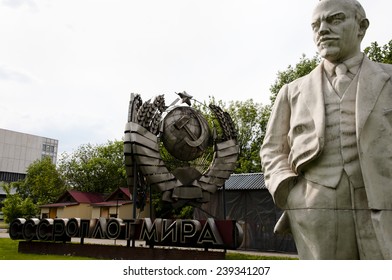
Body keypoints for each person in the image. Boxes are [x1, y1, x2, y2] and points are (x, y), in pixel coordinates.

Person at [260, 0, 392, 259]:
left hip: (384, 206)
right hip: (315, 211)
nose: (322, 30)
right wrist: (292, 195)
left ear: (361, 27)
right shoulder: (292, 92)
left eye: (335, 19)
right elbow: (272, 150)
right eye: (316, 25)